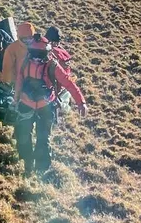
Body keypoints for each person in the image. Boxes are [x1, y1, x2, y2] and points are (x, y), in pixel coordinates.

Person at [13, 33, 86, 176]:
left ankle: (41, 169)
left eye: (40, 54)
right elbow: (19, 81)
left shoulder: (53, 65)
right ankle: (27, 164)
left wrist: (81, 102)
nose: (36, 57)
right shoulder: (25, 62)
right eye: (34, 53)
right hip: (27, 104)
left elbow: (68, 83)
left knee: (43, 139)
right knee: (23, 136)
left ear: (47, 52)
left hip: (45, 108)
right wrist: (16, 99)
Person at [0, 21, 36, 86]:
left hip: (37, 83)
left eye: (30, 38)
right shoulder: (11, 49)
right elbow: (7, 71)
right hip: (19, 85)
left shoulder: (39, 46)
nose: (28, 41)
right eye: (25, 39)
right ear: (19, 37)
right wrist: (8, 85)